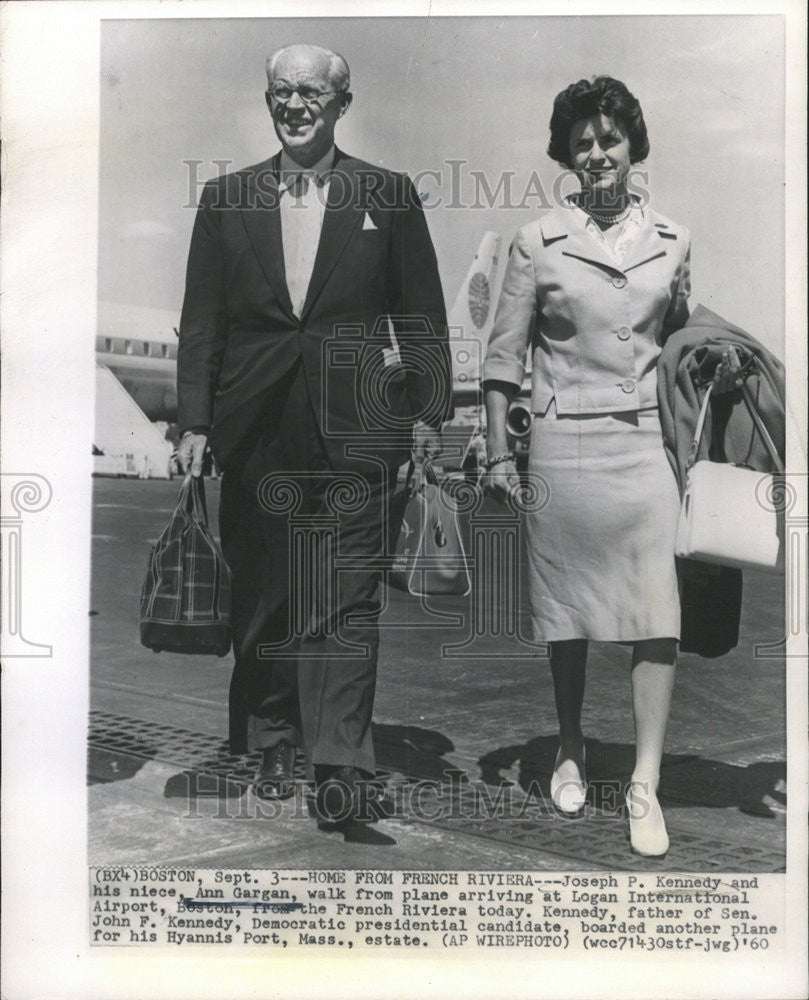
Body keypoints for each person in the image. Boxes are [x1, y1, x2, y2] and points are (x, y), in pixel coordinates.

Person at [176, 44, 452, 827]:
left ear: (342, 103)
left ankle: (339, 762)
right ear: (268, 100)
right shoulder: (226, 198)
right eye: (281, 92)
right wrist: (195, 421)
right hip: (255, 422)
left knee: (346, 600)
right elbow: (202, 323)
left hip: (359, 427)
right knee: (267, 592)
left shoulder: (386, 195)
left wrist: (428, 414)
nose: (295, 106)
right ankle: (272, 735)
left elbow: (420, 314)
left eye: (311, 94)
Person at [482, 76, 735, 857]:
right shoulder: (534, 242)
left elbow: (683, 340)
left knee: (654, 615)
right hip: (564, 448)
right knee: (567, 614)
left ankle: (643, 783)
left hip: (646, 452)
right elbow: (501, 360)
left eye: (609, 139)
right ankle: (567, 746)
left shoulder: (675, 238)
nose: (596, 153)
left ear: (632, 148)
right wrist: (498, 453)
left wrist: (715, 371)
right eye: (582, 142)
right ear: (565, 153)